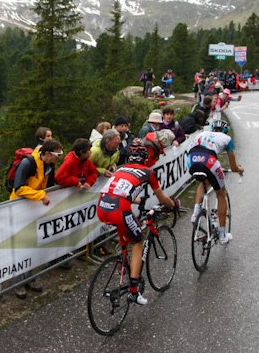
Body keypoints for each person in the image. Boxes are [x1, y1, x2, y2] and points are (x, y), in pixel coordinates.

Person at [96, 142, 179, 305]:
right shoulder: (147, 172)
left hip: (101, 207)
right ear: (145, 159)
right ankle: (134, 291)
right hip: (119, 210)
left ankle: (123, 260)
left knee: (126, 238)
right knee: (138, 243)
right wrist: (173, 205)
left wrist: (139, 200)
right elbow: (162, 198)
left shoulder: (120, 169)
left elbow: (118, 192)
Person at [10, 139, 64, 298]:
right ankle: (18, 281)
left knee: (33, 242)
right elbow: (18, 188)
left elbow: (48, 185)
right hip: (19, 208)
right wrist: (41, 196)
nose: (59, 158)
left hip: (34, 207)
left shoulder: (49, 164)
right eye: (57, 155)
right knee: (20, 244)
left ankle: (29, 277)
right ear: (47, 153)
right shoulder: (28, 163)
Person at [188, 120, 244, 245]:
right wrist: (239, 169)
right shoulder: (227, 138)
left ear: (212, 129)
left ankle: (196, 212)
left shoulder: (202, 134)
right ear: (226, 131)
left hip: (191, 159)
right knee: (220, 193)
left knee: (203, 183)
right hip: (209, 160)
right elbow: (233, 167)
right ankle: (223, 235)